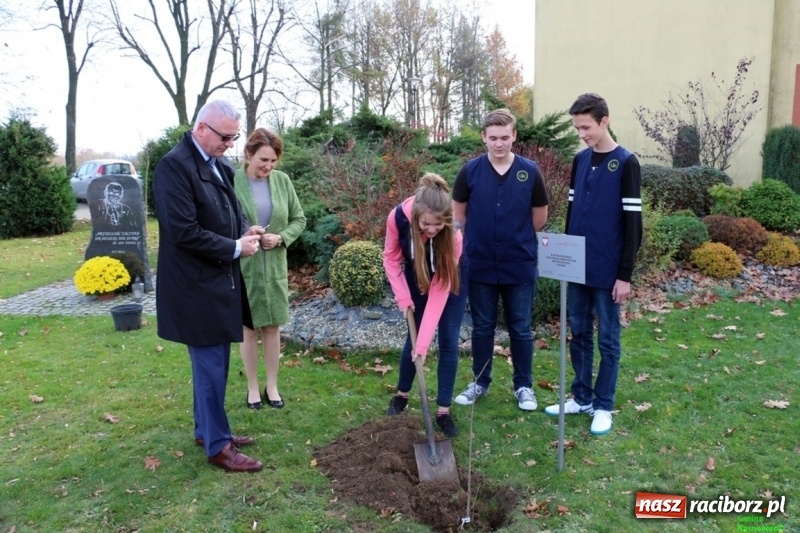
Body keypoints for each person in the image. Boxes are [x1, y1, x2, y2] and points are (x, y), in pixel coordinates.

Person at [153, 99, 265, 472]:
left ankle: (207, 430)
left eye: (234, 138)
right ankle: (218, 446)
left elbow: (225, 212)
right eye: (226, 137)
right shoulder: (174, 167)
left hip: (216, 284)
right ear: (202, 128)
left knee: (213, 365)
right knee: (210, 367)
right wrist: (234, 247)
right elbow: (183, 231)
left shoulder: (217, 163)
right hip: (193, 287)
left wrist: (243, 230)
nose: (230, 144)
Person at [543, 93, 642, 435]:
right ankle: (581, 397)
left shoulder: (626, 163)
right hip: (577, 266)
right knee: (579, 332)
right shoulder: (579, 161)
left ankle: (603, 405)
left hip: (608, 269)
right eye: (577, 128)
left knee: (608, 340)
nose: (581, 133)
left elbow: (633, 225)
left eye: (586, 127)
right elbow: (572, 214)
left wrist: (624, 275)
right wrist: (564, 257)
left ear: (604, 121)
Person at [451, 108, 549, 411]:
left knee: (520, 327)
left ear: (514, 136)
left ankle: (524, 386)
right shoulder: (470, 171)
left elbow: (539, 217)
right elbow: (458, 215)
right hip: (479, 263)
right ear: (483, 137)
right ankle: (480, 381)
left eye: (505, 137)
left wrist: (512, 236)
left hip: (518, 263)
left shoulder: (530, 171)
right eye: (493, 138)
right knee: (482, 327)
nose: (499, 143)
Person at [383, 173, 468, 438]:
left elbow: (440, 290)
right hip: (415, 276)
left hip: (448, 282)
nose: (431, 230)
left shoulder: (452, 236)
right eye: (426, 225)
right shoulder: (397, 218)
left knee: (448, 342)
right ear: (416, 216)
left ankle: (443, 410)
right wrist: (403, 297)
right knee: (414, 336)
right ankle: (402, 395)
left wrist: (424, 346)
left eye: (437, 225)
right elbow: (391, 258)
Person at [234, 128, 306, 410]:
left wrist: (281, 237)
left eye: (273, 161)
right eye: (263, 160)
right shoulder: (231, 182)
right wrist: (244, 233)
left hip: (275, 266)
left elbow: (299, 219)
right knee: (248, 328)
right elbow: (222, 222)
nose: (268, 166)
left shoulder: (282, 182)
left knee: (273, 326)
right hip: (244, 266)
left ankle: (272, 385)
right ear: (248, 154)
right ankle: (252, 386)